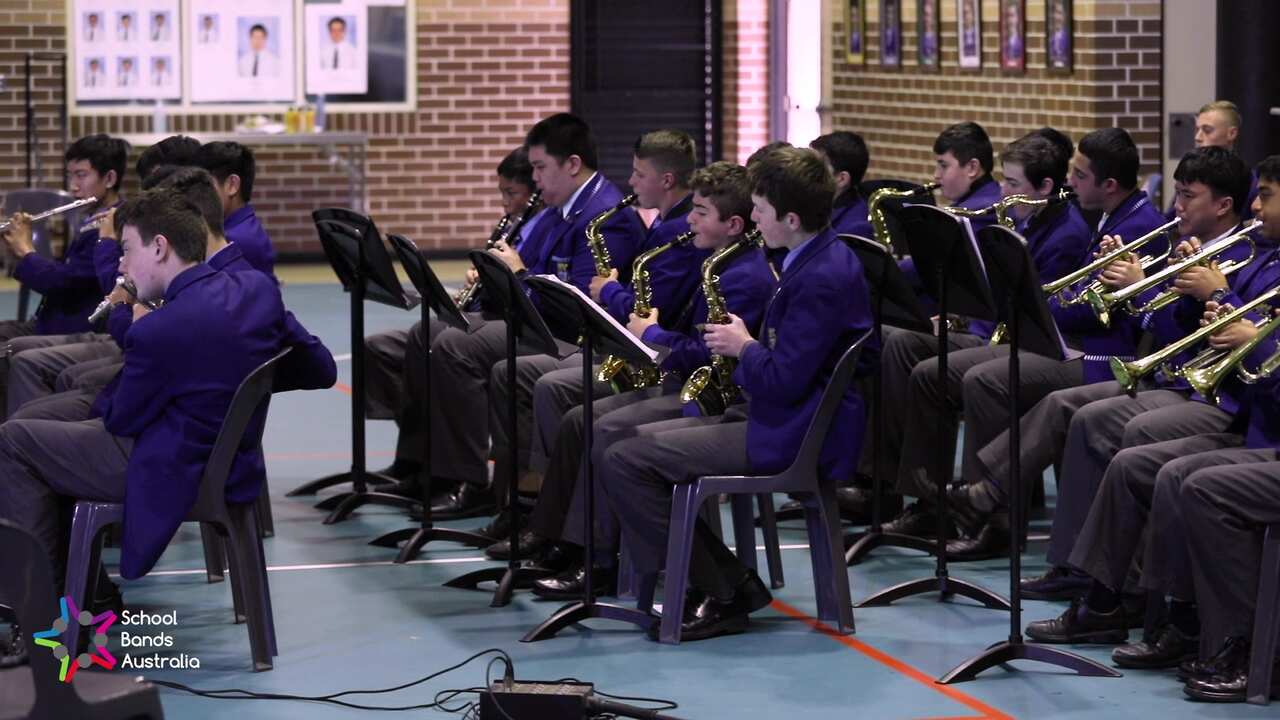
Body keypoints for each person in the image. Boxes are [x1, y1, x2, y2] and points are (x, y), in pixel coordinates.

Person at [0, 190, 336, 667]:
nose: (122, 265)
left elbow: (120, 418)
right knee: (40, 421)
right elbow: (320, 367)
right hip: (227, 457)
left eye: (127, 250)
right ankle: (84, 594)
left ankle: (41, 624)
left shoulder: (162, 328)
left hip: (171, 467)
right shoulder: (256, 289)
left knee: (14, 442)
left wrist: (130, 315)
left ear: (159, 248)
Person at [602, 146, 875, 640]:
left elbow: (782, 380)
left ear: (790, 218)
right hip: (777, 415)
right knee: (626, 440)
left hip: (793, 432)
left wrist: (742, 347)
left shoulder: (821, 277)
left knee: (627, 460)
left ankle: (725, 589)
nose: (756, 221)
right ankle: (704, 580)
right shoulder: (811, 257)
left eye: (763, 212)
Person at [1008, 154, 1277, 649]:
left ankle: (1144, 602)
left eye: (1267, 196)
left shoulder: (1250, 259)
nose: (1256, 207)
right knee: (1091, 419)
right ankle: (1093, 581)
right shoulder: (1244, 253)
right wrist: (1140, 288)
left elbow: (1225, 348)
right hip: (1190, 384)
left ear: (1221, 205)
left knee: (1130, 437)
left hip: (1224, 403)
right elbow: (1173, 329)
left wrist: (1216, 298)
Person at [522, 160, 777, 597]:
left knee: (606, 429)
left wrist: (653, 335)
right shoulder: (715, 262)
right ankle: (561, 542)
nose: (689, 219)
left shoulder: (743, 276)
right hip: (685, 379)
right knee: (580, 420)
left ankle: (600, 558)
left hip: (714, 395)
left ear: (733, 225)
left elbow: (709, 352)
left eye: (699, 212)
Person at [418, 113, 644, 519]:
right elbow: (534, 273)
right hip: (535, 319)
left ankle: (481, 483)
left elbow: (574, 309)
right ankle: (448, 473)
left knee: (456, 346)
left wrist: (515, 276)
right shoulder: (560, 209)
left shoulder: (604, 217)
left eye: (540, 168)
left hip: (569, 337)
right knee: (436, 331)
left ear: (572, 164)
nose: (534, 179)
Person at [877, 130, 1093, 548]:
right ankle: (926, 502)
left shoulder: (1065, 233)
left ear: (1044, 188)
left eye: (1012, 184)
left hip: (1050, 348)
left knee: (983, 380)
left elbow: (1042, 312)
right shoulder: (1023, 219)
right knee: (923, 368)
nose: (1003, 192)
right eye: (1005, 182)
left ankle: (989, 516)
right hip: (1012, 338)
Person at [363, 146, 547, 495]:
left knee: (448, 347)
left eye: (513, 194)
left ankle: (463, 476)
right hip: (488, 316)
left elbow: (536, 290)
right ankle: (416, 459)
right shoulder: (514, 226)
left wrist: (506, 277)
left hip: (519, 326)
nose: (506, 204)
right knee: (386, 347)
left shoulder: (544, 225)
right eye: (502, 194)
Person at [195, 141, 277, 279]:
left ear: (232, 185)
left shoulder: (234, 240)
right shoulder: (241, 228)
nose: (194, 195)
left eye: (204, 185)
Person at [809, 131, 873, 239]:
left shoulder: (855, 229)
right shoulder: (815, 205)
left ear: (841, 179)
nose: (807, 172)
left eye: (817, 167)